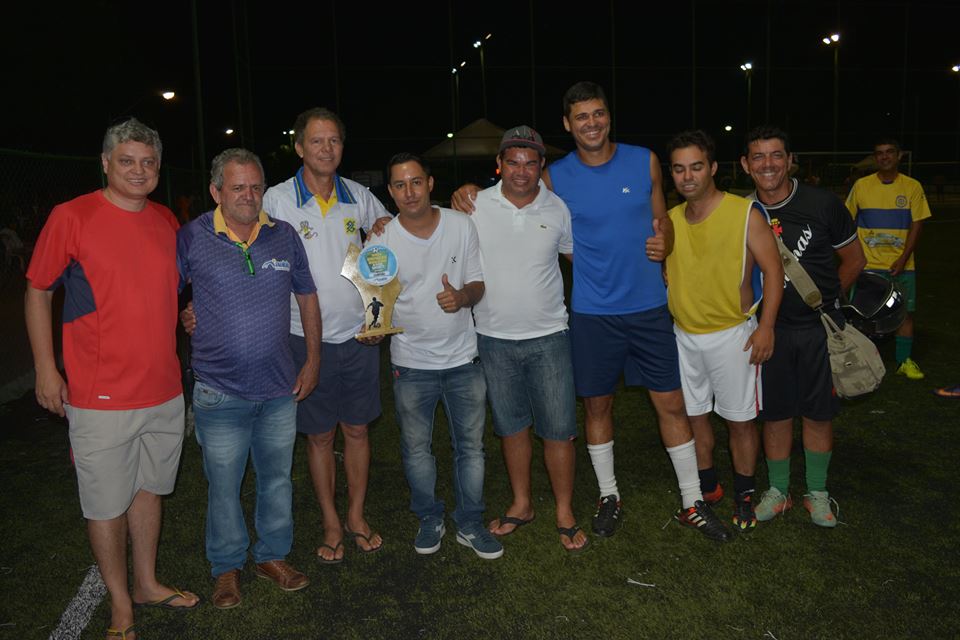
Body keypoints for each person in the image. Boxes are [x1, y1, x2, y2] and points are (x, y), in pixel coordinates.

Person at [452, 81, 730, 542]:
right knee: (597, 406)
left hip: (648, 307)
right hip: (593, 313)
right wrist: (466, 190)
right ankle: (608, 495)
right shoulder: (555, 177)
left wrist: (666, 242)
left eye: (598, 113)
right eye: (581, 116)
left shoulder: (644, 160)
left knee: (671, 403)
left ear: (608, 116)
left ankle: (692, 501)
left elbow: (663, 221)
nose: (592, 123)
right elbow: (514, 192)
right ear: (568, 123)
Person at [25, 118, 199, 640]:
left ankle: (145, 583)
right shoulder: (71, 216)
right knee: (104, 504)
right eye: (127, 161)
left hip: (164, 388)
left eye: (148, 162)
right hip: (100, 396)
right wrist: (46, 368)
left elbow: (165, 290)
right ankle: (120, 604)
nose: (138, 171)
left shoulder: (166, 219)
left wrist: (187, 313)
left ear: (159, 167)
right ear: (105, 163)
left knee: (149, 490)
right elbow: (38, 291)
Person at [177, 148, 320, 608]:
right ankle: (226, 567)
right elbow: (162, 291)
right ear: (216, 191)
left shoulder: (284, 236)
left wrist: (313, 359)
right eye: (237, 187)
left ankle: (272, 556)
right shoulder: (192, 236)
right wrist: (183, 312)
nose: (248, 195)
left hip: (279, 389)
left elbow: (308, 296)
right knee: (223, 487)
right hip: (219, 391)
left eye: (256, 186)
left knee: (277, 479)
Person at [263, 108, 392, 561]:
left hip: (358, 337)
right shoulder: (276, 200)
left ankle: (355, 515)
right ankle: (331, 522)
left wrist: (378, 320)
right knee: (319, 436)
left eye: (334, 140)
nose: (326, 148)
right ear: (299, 147)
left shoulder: (360, 197)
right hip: (301, 337)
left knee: (356, 429)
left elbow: (387, 255)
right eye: (316, 141)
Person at [378, 152, 503, 559]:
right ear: (391, 191)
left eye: (416, 182)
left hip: (463, 359)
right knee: (417, 449)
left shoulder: (460, 225)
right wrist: (372, 327)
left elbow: (478, 283)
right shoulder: (382, 239)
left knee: (471, 448)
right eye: (400, 185)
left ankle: (470, 522)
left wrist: (462, 297)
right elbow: (373, 300)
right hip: (410, 363)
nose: (409, 191)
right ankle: (429, 517)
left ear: (430, 184)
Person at [470, 125, 588, 552]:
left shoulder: (558, 207)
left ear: (541, 166)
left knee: (558, 429)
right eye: (513, 162)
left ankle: (564, 510)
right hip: (493, 336)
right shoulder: (475, 204)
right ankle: (522, 504)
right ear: (499, 164)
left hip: (549, 336)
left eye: (530, 163)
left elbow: (579, 256)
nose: (521, 171)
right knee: (511, 426)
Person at [741, 125, 866, 528]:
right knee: (775, 414)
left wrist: (825, 302)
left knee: (818, 413)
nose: (768, 164)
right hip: (768, 330)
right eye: (758, 156)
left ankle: (817, 491)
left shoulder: (823, 203)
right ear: (745, 164)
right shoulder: (739, 212)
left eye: (776, 155)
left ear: (790, 160)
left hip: (818, 330)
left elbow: (855, 260)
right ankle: (779, 491)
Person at [664, 130, 784, 532]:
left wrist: (766, 327)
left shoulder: (744, 212)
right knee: (694, 416)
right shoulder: (670, 220)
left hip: (733, 335)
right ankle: (709, 486)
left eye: (696, 167)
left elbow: (774, 271)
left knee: (739, 421)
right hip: (683, 335)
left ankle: (745, 494)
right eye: (679, 169)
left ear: (713, 168)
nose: (688, 176)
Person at [845, 138, 932, 380]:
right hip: (868, 265)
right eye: (879, 153)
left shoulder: (912, 186)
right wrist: (855, 258)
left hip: (901, 265)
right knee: (861, 315)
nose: (884, 157)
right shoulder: (861, 186)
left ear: (899, 155)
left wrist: (903, 258)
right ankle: (860, 362)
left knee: (905, 313)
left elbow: (917, 225)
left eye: (889, 152)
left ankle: (904, 361)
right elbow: (847, 222)